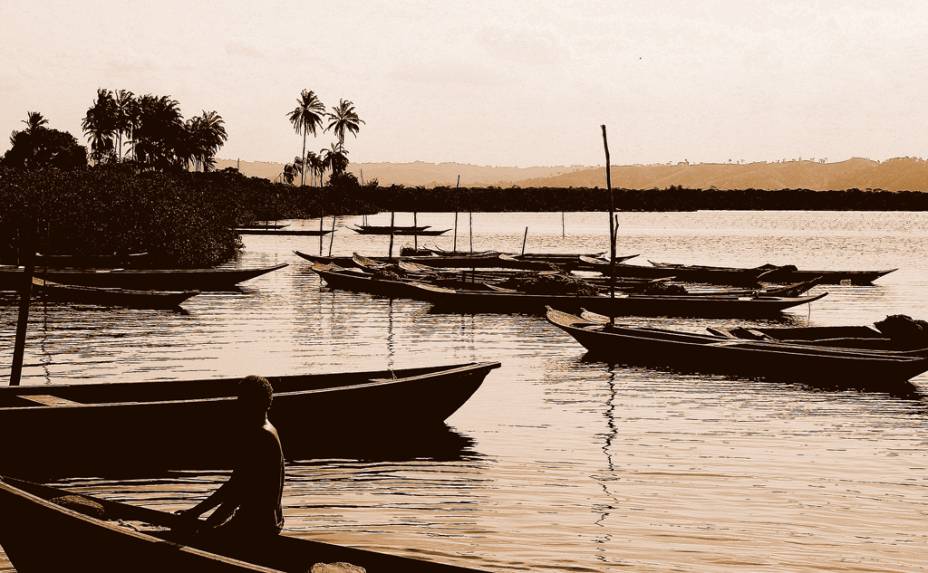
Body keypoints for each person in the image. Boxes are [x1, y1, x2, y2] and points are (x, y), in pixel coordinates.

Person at [176, 375, 285, 545]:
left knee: (197, 541)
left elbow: (235, 491)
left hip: (255, 526)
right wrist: (198, 516)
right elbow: (237, 490)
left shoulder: (259, 436)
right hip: (274, 523)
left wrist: (202, 523)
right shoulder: (270, 430)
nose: (238, 405)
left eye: (242, 399)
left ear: (250, 403)